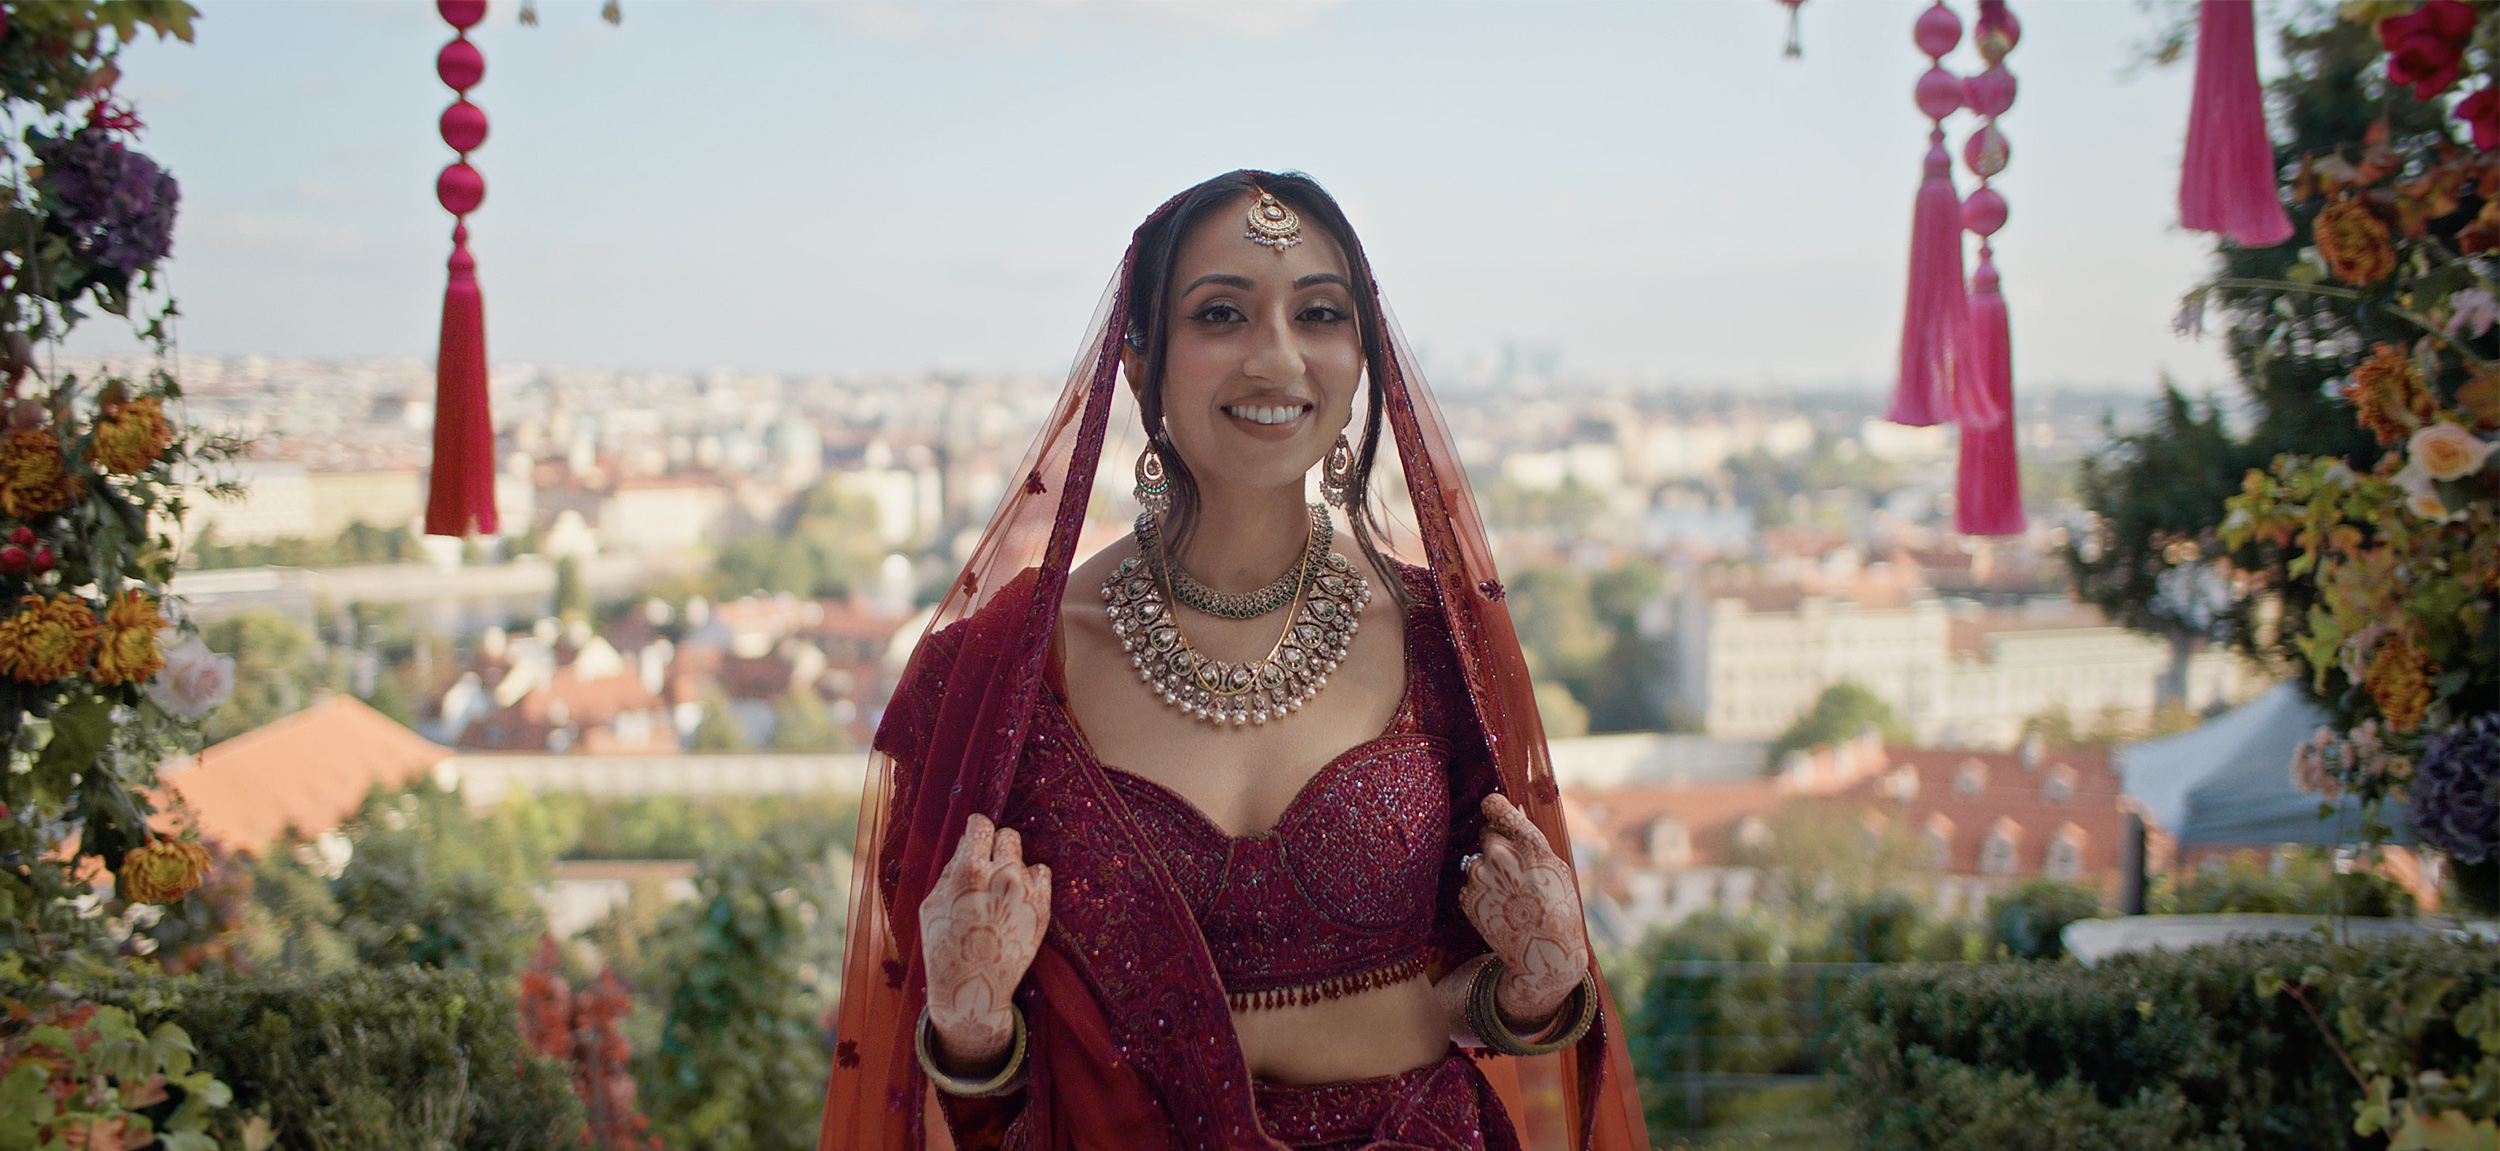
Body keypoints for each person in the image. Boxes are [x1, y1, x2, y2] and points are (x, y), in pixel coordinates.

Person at [819, 171, 1647, 1151]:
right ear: (1136, 365)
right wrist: (970, 1024)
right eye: (1223, 313)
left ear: (1361, 357)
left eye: (1320, 313)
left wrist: (1540, 981)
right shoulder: (1004, 672)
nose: (1277, 357)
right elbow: (944, 1050)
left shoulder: (1442, 638)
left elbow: (1484, 990)